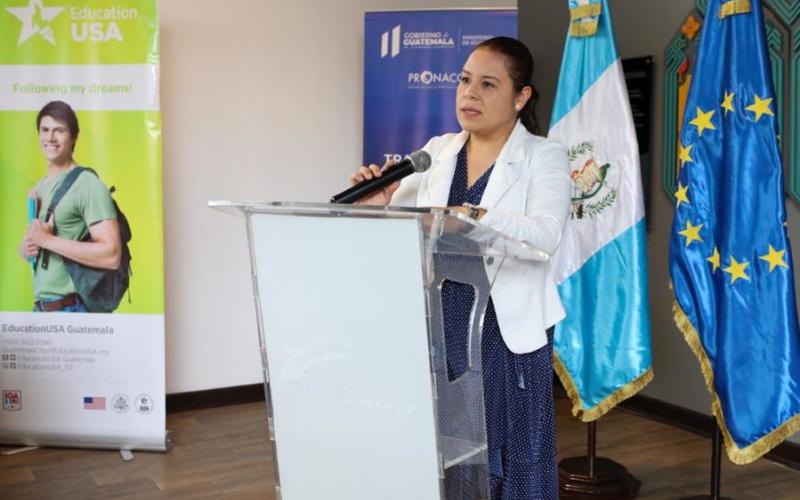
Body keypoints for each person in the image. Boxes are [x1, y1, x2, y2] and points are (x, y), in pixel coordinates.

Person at [350, 37, 571, 498]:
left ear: (521, 96)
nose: (469, 94)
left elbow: (547, 234)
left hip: (502, 328)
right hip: (440, 321)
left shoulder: (542, 156)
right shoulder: (437, 151)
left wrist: (472, 216)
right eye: (465, 80)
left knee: (508, 449)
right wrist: (376, 204)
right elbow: (403, 232)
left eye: (488, 84)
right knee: (446, 448)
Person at [18, 101, 121, 312]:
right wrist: (26, 248)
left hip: (73, 309)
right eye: (45, 130)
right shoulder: (39, 187)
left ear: (73, 137)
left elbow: (112, 255)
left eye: (59, 131)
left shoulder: (87, 184)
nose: (50, 138)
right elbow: (35, 247)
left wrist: (46, 240)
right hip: (42, 309)